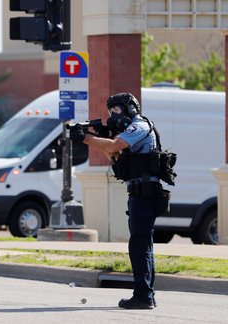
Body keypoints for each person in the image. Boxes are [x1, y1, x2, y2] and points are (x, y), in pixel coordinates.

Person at [69, 92, 171, 310]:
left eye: (117, 110)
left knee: (139, 245)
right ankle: (146, 295)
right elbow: (112, 153)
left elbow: (114, 146)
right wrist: (95, 137)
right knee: (143, 244)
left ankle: (143, 297)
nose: (114, 114)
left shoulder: (139, 126)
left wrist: (85, 138)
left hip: (145, 193)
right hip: (138, 193)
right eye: (111, 111)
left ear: (130, 108)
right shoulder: (128, 131)